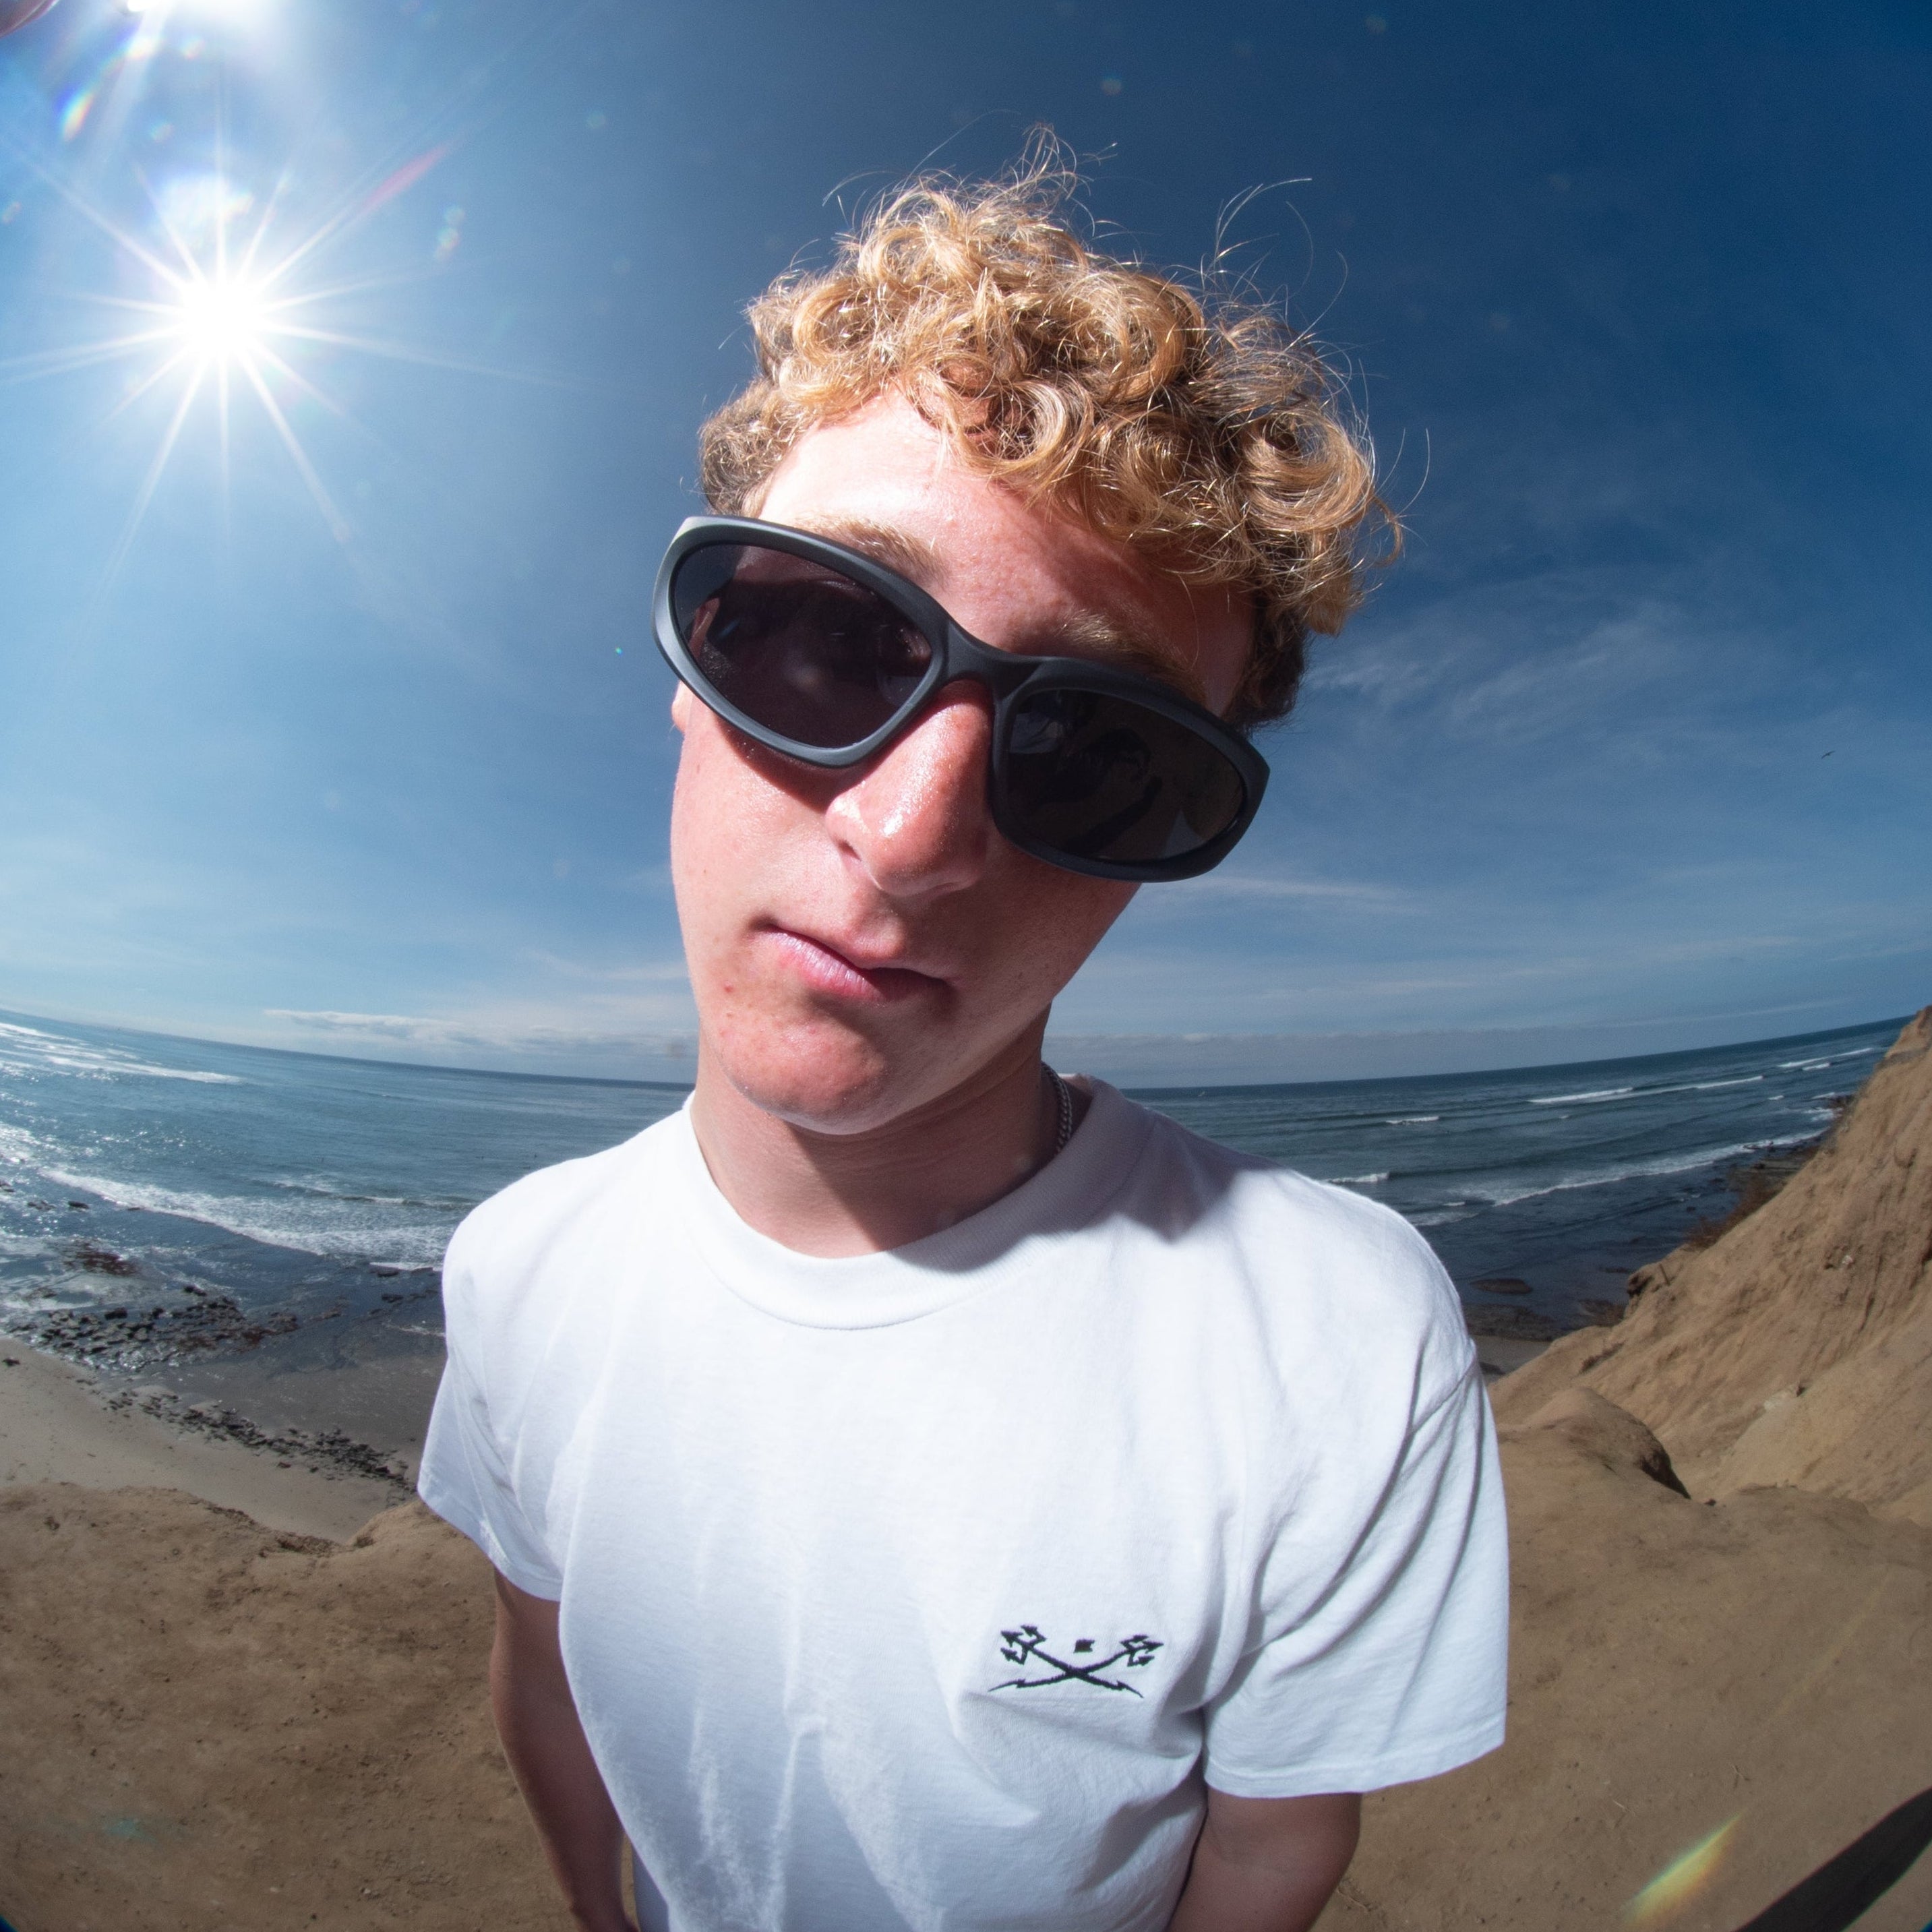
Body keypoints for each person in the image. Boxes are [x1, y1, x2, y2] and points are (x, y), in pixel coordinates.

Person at [419, 153, 1507, 1932]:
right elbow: (547, 1665)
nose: (912, 832)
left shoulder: (1339, 1343)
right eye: (828, 638)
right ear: (691, 664)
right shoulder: (520, 1267)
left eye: (1100, 755)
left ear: (1149, 857)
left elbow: (1272, 1839)